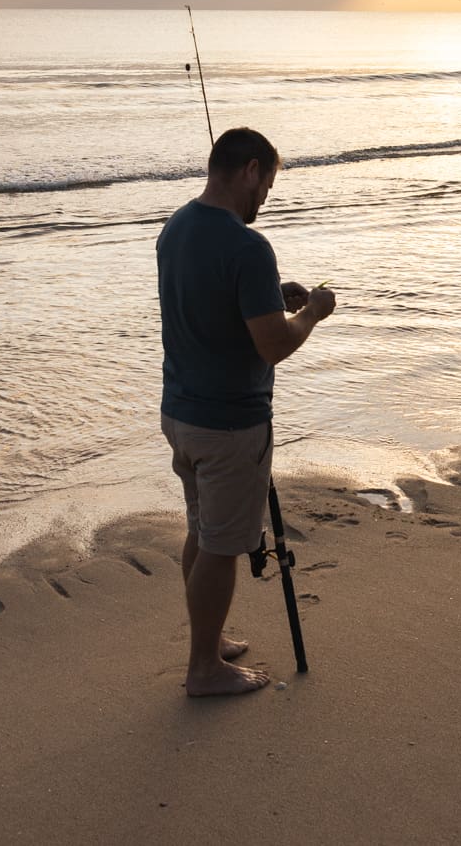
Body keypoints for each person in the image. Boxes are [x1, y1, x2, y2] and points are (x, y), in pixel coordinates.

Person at [157, 126, 335, 697]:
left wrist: (267, 296)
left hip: (180, 413)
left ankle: (205, 639)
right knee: (222, 544)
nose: (266, 198)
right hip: (230, 422)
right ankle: (204, 668)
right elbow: (275, 346)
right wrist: (315, 314)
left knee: (201, 530)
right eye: (268, 183)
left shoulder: (176, 227)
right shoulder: (247, 245)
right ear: (251, 170)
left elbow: (208, 304)